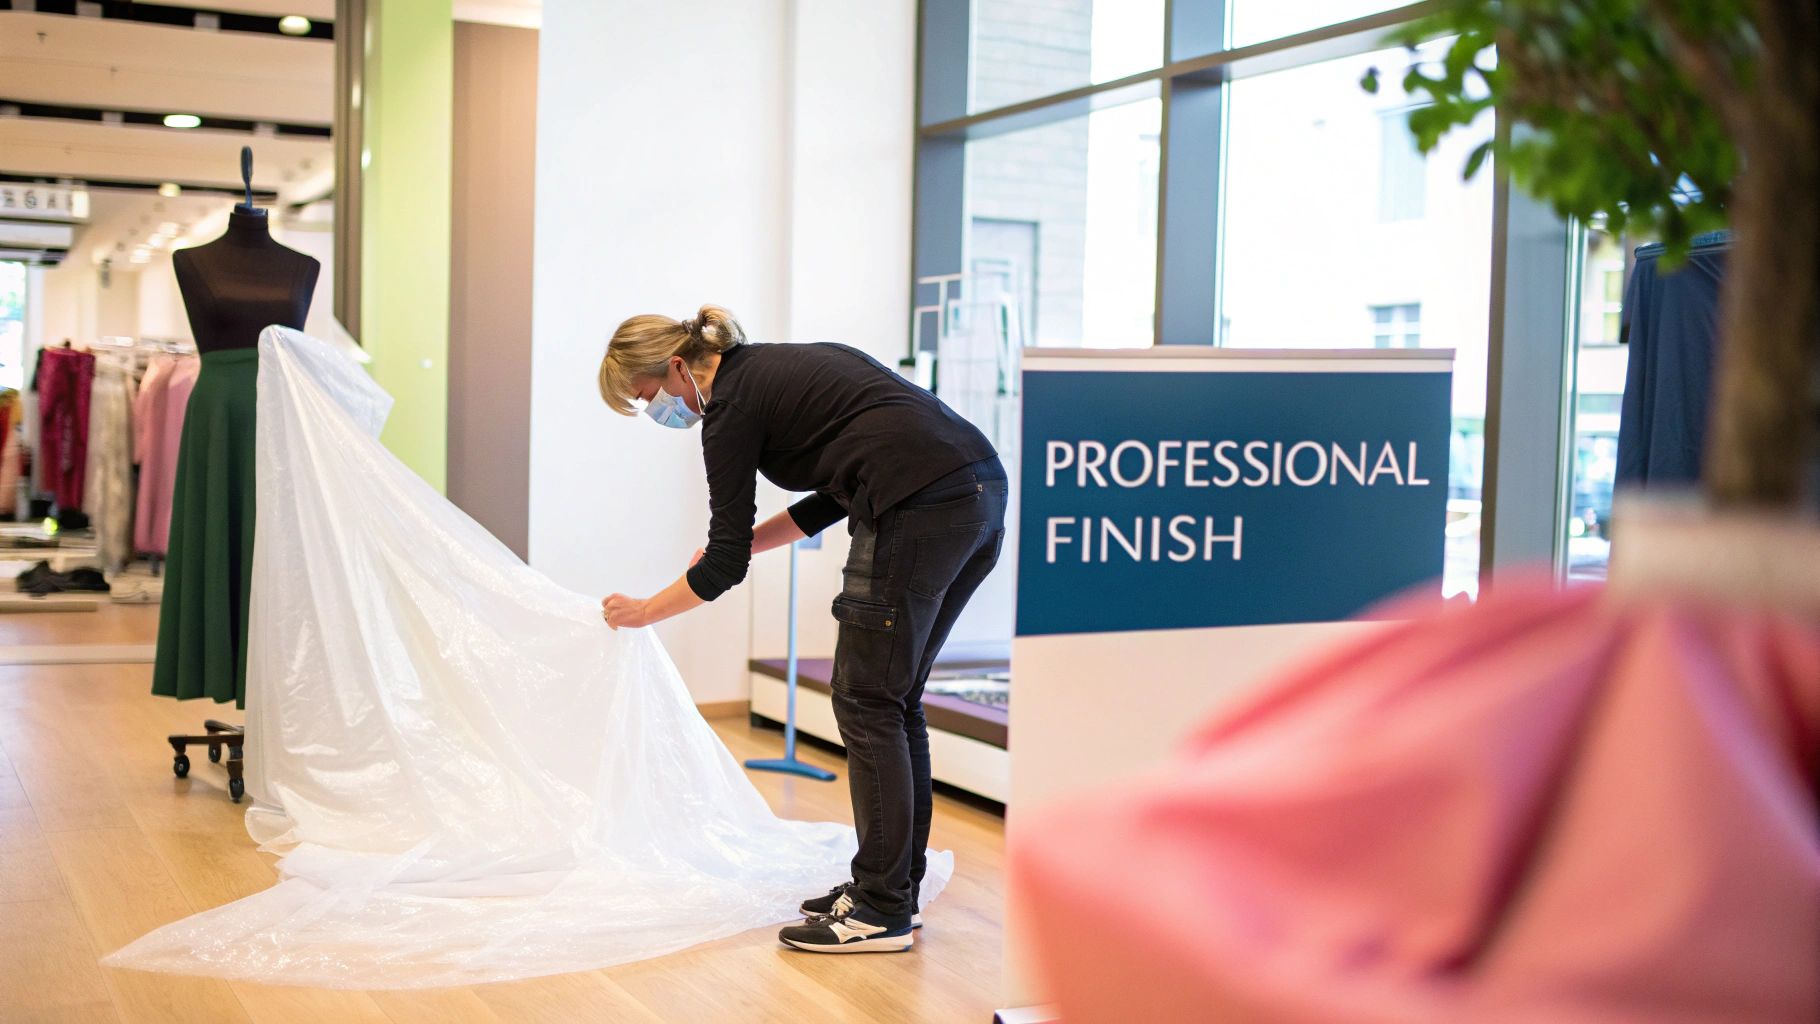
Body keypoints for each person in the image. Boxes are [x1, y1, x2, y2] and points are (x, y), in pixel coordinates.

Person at [598, 305, 1006, 954]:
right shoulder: (776, 369)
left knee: (868, 700)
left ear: (677, 367)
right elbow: (831, 497)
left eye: (651, 397)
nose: (661, 412)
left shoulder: (729, 406)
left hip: (919, 508)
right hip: (976, 493)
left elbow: (723, 561)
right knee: (893, 702)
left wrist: (644, 611)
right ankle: (892, 890)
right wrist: (750, 546)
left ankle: (880, 910)